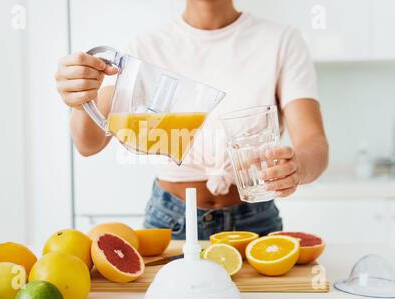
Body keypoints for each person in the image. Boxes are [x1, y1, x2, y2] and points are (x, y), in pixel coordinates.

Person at [55, 0, 329, 239]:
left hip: (257, 219)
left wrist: (298, 168)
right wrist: (81, 100)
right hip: (170, 220)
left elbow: (313, 142)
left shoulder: (281, 40)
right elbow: (88, 144)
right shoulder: (145, 47)